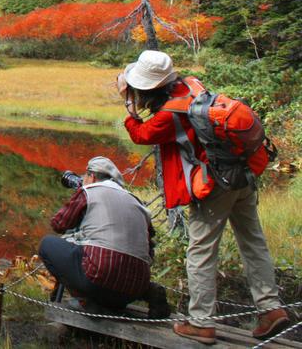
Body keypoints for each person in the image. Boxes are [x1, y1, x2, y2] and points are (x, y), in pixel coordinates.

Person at [120, 50, 289, 344]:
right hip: (241, 173)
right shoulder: (192, 86)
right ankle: (271, 310)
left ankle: (200, 322)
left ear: (147, 87)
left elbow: (141, 134)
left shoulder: (169, 115)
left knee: (200, 251)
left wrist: (128, 103)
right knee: (253, 242)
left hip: (214, 184)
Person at [39, 156, 169, 316]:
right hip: (134, 289)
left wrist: (80, 208)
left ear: (91, 176)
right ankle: (147, 291)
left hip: (100, 281)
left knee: (47, 244)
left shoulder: (89, 192)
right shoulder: (136, 201)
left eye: (85, 176)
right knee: (109, 260)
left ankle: (87, 300)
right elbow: (149, 249)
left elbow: (58, 224)